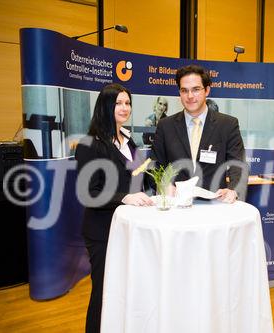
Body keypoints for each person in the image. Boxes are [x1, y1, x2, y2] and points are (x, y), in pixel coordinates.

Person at [75, 83, 153, 333]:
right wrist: (125, 198)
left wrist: (161, 183)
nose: (124, 108)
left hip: (128, 229)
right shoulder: (90, 144)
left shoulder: (129, 141)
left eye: (128, 103)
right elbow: (88, 193)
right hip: (102, 232)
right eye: (118, 103)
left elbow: (139, 175)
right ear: (105, 106)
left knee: (123, 292)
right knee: (103, 293)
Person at [152, 64, 248, 203]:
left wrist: (233, 189)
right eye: (184, 90)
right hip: (176, 207)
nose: (190, 96)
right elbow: (155, 165)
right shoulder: (165, 126)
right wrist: (163, 184)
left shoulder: (227, 125)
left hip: (214, 206)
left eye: (196, 90)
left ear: (207, 90)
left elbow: (238, 164)